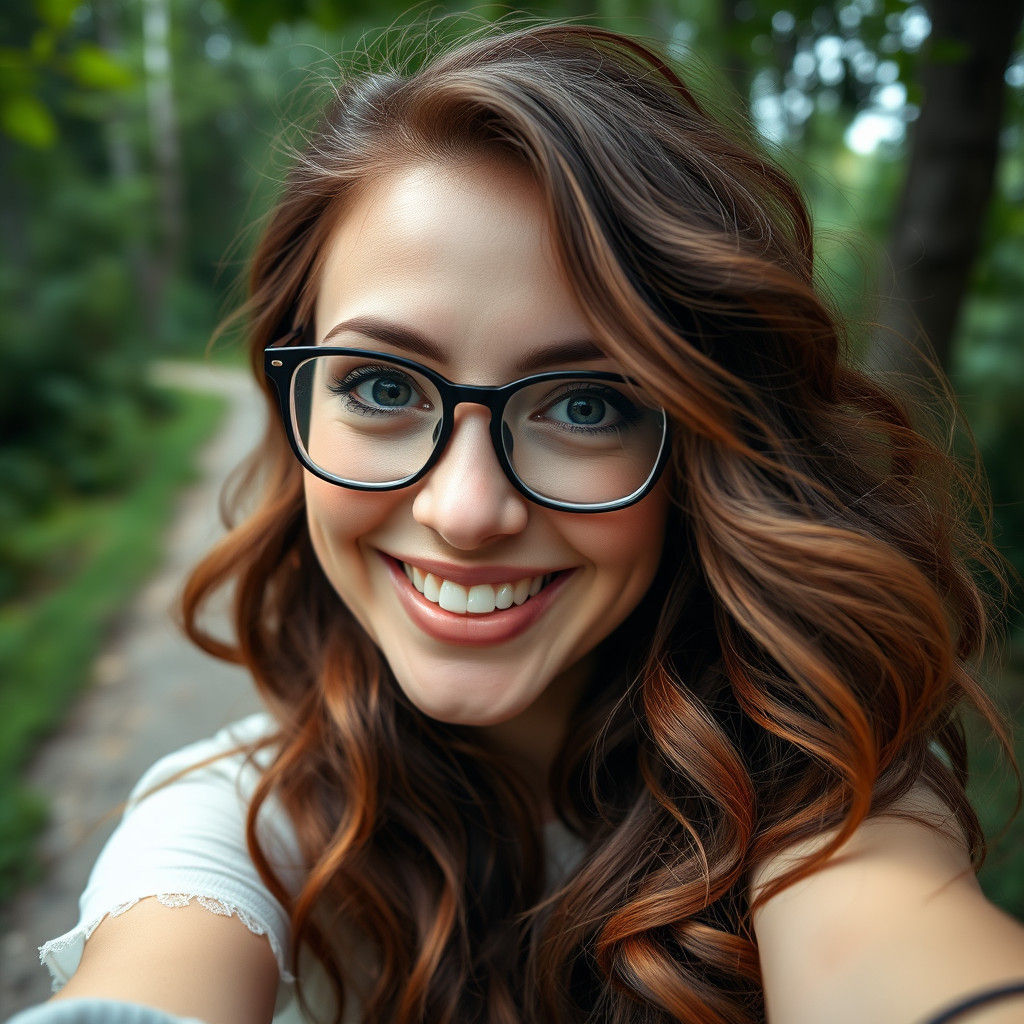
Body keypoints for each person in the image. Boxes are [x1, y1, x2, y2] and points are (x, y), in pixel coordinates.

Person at [9, 16, 1024, 1024]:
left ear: (704, 446)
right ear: (296, 398)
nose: (465, 511)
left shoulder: (829, 791)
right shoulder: (224, 824)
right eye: (377, 385)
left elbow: (886, 942)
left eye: (586, 405)